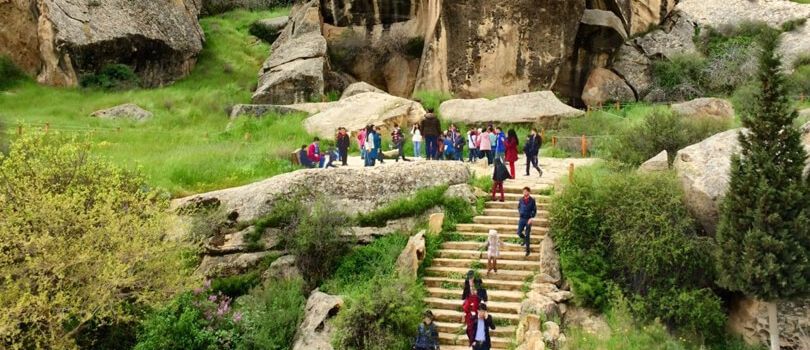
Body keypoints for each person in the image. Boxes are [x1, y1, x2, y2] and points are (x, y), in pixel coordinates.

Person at [517, 187, 537, 257]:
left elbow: (534, 210)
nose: (524, 193)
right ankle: (524, 240)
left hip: (528, 219)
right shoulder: (521, 199)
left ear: (529, 192)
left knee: (527, 234)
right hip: (522, 219)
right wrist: (520, 212)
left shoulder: (532, 200)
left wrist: (531, 218)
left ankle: (528, 250)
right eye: (523, 192)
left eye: (525, 191)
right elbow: (519, 207)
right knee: (519, 233)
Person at [462, 279, 482, 346]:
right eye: (471, 290)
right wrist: (463, 316)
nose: (473, 291)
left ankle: (473, 342)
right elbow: (465, 307)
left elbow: (481, 307)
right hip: (469, 317)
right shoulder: (468, 297)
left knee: (473, 331)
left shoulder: (478, 298)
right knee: (468, 330)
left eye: (474, 290)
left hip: (476, 317)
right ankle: (472, 342)